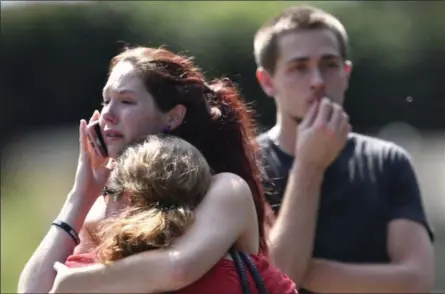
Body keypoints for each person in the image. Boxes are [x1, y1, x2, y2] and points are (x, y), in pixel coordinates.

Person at [18, 46, 294, 294]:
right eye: (106, 101)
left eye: (126, 101)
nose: (108, 114)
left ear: (173, 117)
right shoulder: (100, 206)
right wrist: (80, 195)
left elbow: (178, 269)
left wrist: (78, 281)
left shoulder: (224, 190)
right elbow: (33, 290)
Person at [253, 5, 434, 293]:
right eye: (299, 67)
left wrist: (304, 268)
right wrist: (309, 165)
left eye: (329, 65)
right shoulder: (246, 162)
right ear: (267, 81)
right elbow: (276, 284)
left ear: (346, 73)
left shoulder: (388, 161)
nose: (317, 81)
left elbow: (417, 281)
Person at [63, 134, 296, 294]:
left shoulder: (84, 271)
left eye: (107, 191)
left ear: (129, 196)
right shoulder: (254, 274)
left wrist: (79, 197)